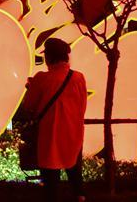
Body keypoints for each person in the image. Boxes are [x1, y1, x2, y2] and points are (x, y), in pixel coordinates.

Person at [22, 37, 88, 202]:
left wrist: (30, 88)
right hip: (73, 133)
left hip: (49, 133)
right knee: (75, 173)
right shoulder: (78, 78)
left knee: (51, 179)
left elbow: (29, 105)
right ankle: (80, 197)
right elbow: (82, 106)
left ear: (49, 57)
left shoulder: (41, 79)